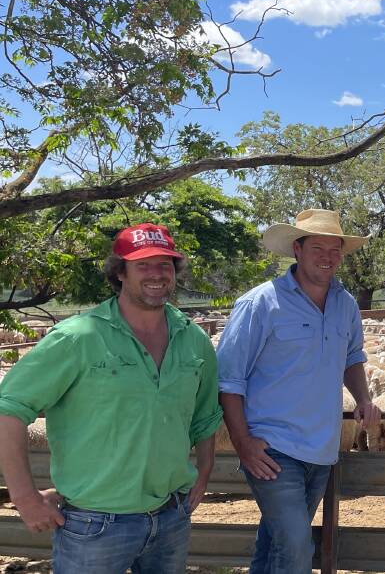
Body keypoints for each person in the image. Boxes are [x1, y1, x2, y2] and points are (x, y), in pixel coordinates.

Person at [0, 223, 222, 573]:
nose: (156, 274)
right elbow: (9, 408)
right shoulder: (78, 337)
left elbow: (206, 414)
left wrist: (205, 471)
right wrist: (24, 496)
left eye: (165, 264)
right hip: (94, 524)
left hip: (171, 516)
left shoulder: (192, 338)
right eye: (143, 265)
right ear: (120, 272)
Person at [216, 209, 381, 573]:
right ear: (297, 249)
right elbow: (228, 378)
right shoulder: (260, 303)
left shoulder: (345, 304)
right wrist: (243, 442)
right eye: (318, 247)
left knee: (277, 542)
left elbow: (352, 357)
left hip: (321, 448)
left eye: (335, 249)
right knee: (295, 547)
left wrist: (364, 398)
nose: (327, 256)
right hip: (272, 447)